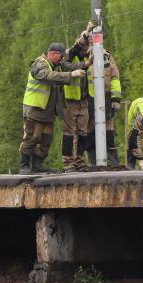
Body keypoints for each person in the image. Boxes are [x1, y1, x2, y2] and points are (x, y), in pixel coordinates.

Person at [20, 42, 85, 174]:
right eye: (61, 57)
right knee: (32, 137)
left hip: (48, 111)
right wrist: (71, 75)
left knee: (46, 139)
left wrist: (87, 62)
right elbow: (46, 76)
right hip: (35, 108)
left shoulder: (56, 65)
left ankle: (37, 165)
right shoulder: (40, 63)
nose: (62, 60)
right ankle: (24, 166)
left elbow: (70, 64)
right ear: (53, 54)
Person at [61, 23, 94, 172]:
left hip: (83, 101)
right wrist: (86, 32)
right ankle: (68, 163)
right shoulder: (69, 55)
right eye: (83, 46)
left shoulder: (89, 57)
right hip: (69, 102)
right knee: (68, 132)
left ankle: (79, 161)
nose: (85, 49)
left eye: (87, 47)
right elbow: (67, 65)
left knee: (83, 132)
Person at [85, 47, 122, 166]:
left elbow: (115, 78)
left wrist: (116, 99)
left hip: (105, 98)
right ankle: (93, 163)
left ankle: (113, 163)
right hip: (87, 99)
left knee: (108, 132)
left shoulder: (107, 56)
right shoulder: (81, 56)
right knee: (89, 133)